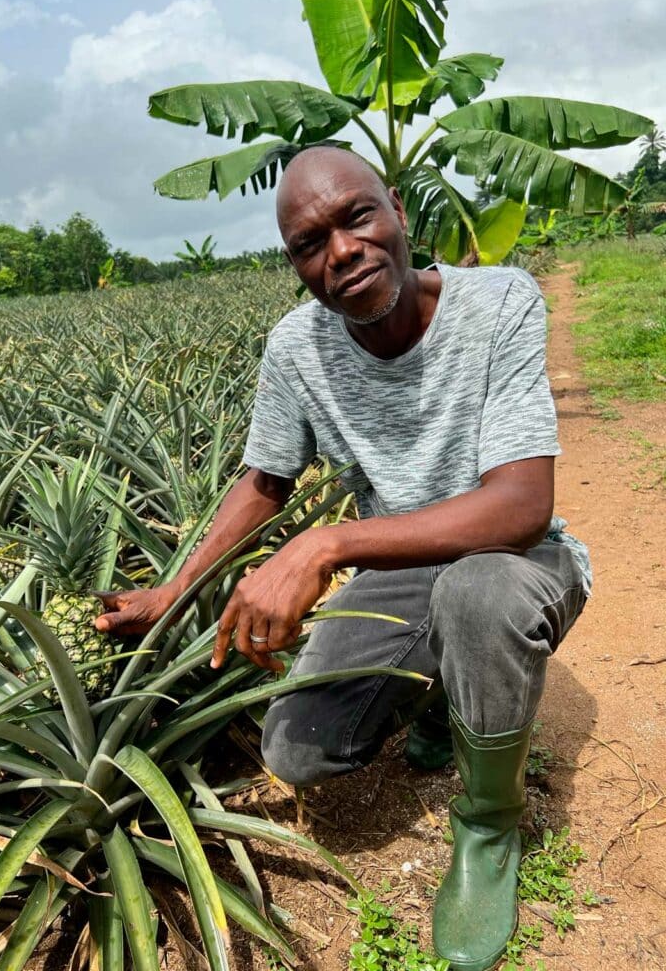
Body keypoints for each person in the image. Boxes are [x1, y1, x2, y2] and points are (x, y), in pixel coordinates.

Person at [96, 146, 591, 971]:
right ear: (295, 263)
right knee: (298, 751)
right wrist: (175, 591)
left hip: (517, 559)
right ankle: (444, 696)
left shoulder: (500, 300)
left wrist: (328, 543)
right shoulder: (297, 349)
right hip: (399, 572)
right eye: (309, 243)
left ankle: (486, 824)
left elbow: (520, 504)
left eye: (357, 216)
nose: (341, 252)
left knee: (478, 595)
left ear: (395, 208)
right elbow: (265, 479)